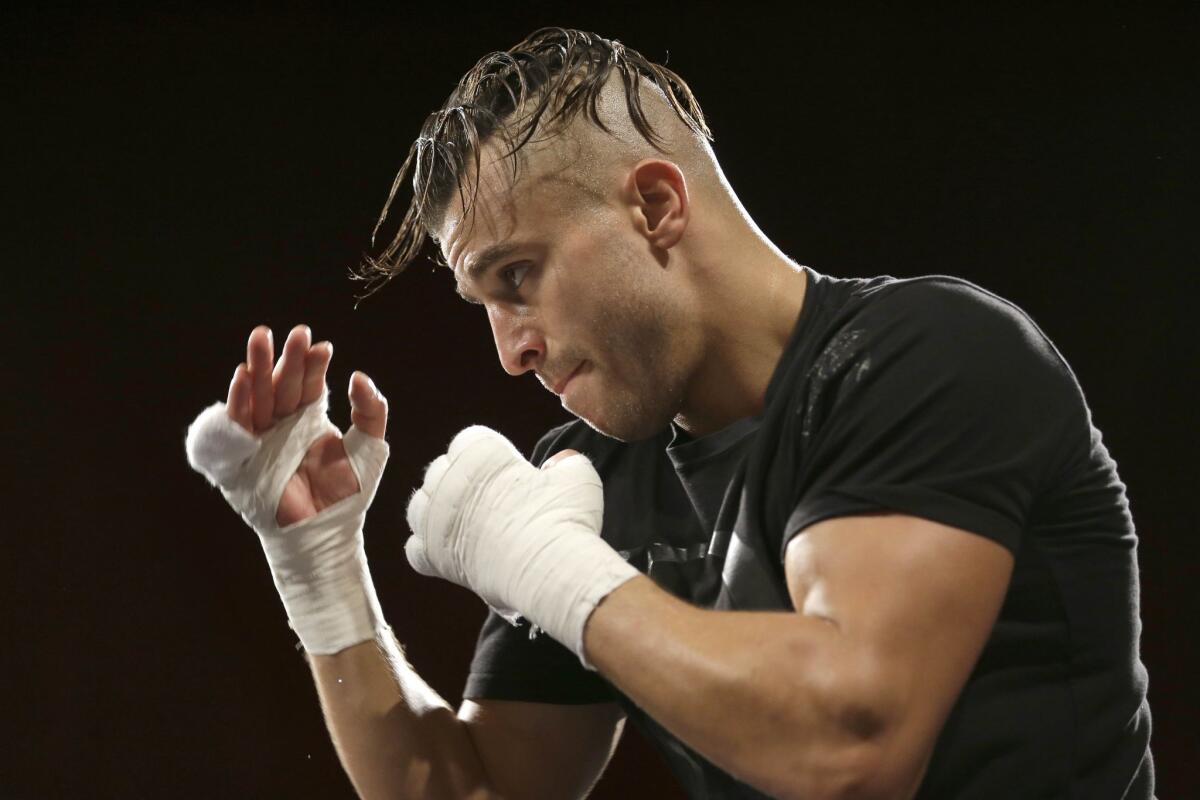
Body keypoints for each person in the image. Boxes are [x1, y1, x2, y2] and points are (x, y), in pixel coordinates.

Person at [185, 27, 1154, 799]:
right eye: (484, 303)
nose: (510, 348)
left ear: (654, 204)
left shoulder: (935, 358)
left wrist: (561, 575)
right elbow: (466, 787)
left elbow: (852, 742)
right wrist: (320, 572)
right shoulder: (599, 473)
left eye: (517, 277)